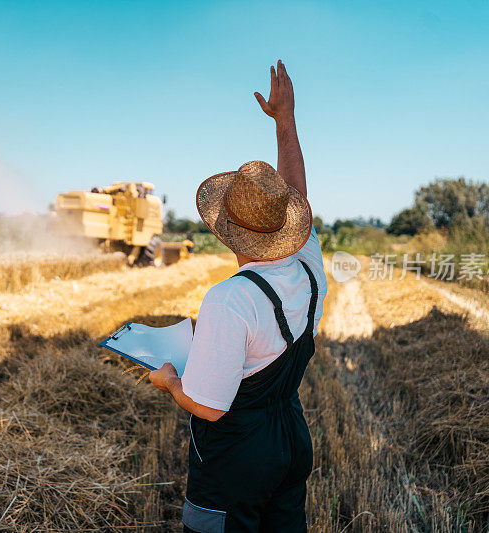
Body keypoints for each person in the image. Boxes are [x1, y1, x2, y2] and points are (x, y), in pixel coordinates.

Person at [148, 60, 328, 532]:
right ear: (286, 223)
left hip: (238, 460)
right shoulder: (309, 268)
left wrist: (169, 382)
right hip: (290, 438)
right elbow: (298, 195)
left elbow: (210, 406)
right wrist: (285, 121)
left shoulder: (229, 299)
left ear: (226, 234)